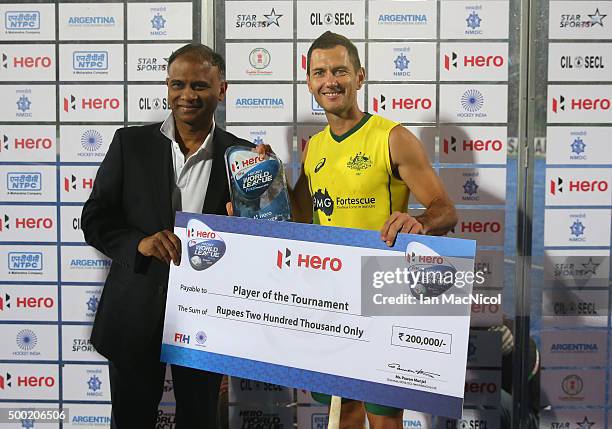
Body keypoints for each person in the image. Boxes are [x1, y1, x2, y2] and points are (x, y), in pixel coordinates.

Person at [291, 31, 458, 429]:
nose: (329, 80)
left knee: (384, 420)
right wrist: (259, 187)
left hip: (382, 293)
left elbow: (446, 210)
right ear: (310, 82)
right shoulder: (313, 146)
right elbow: (295, 216)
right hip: (330, 297)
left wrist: (418, 221)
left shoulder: (392, 137)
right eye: (319, 72)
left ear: (360, 76)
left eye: (339, 71)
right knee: (342, 413)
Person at [81, 43, 252, 428]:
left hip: (209, 319)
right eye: (178, 84)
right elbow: (94, 218)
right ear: (167, 86)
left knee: (199, 420)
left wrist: (254, 210)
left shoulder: (243, 157)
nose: (187, 95)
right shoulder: (130, 144)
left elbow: (259, 246)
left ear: (222, 89)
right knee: (131, 420)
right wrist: (137, 244)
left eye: (199, 85)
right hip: (134, 312)